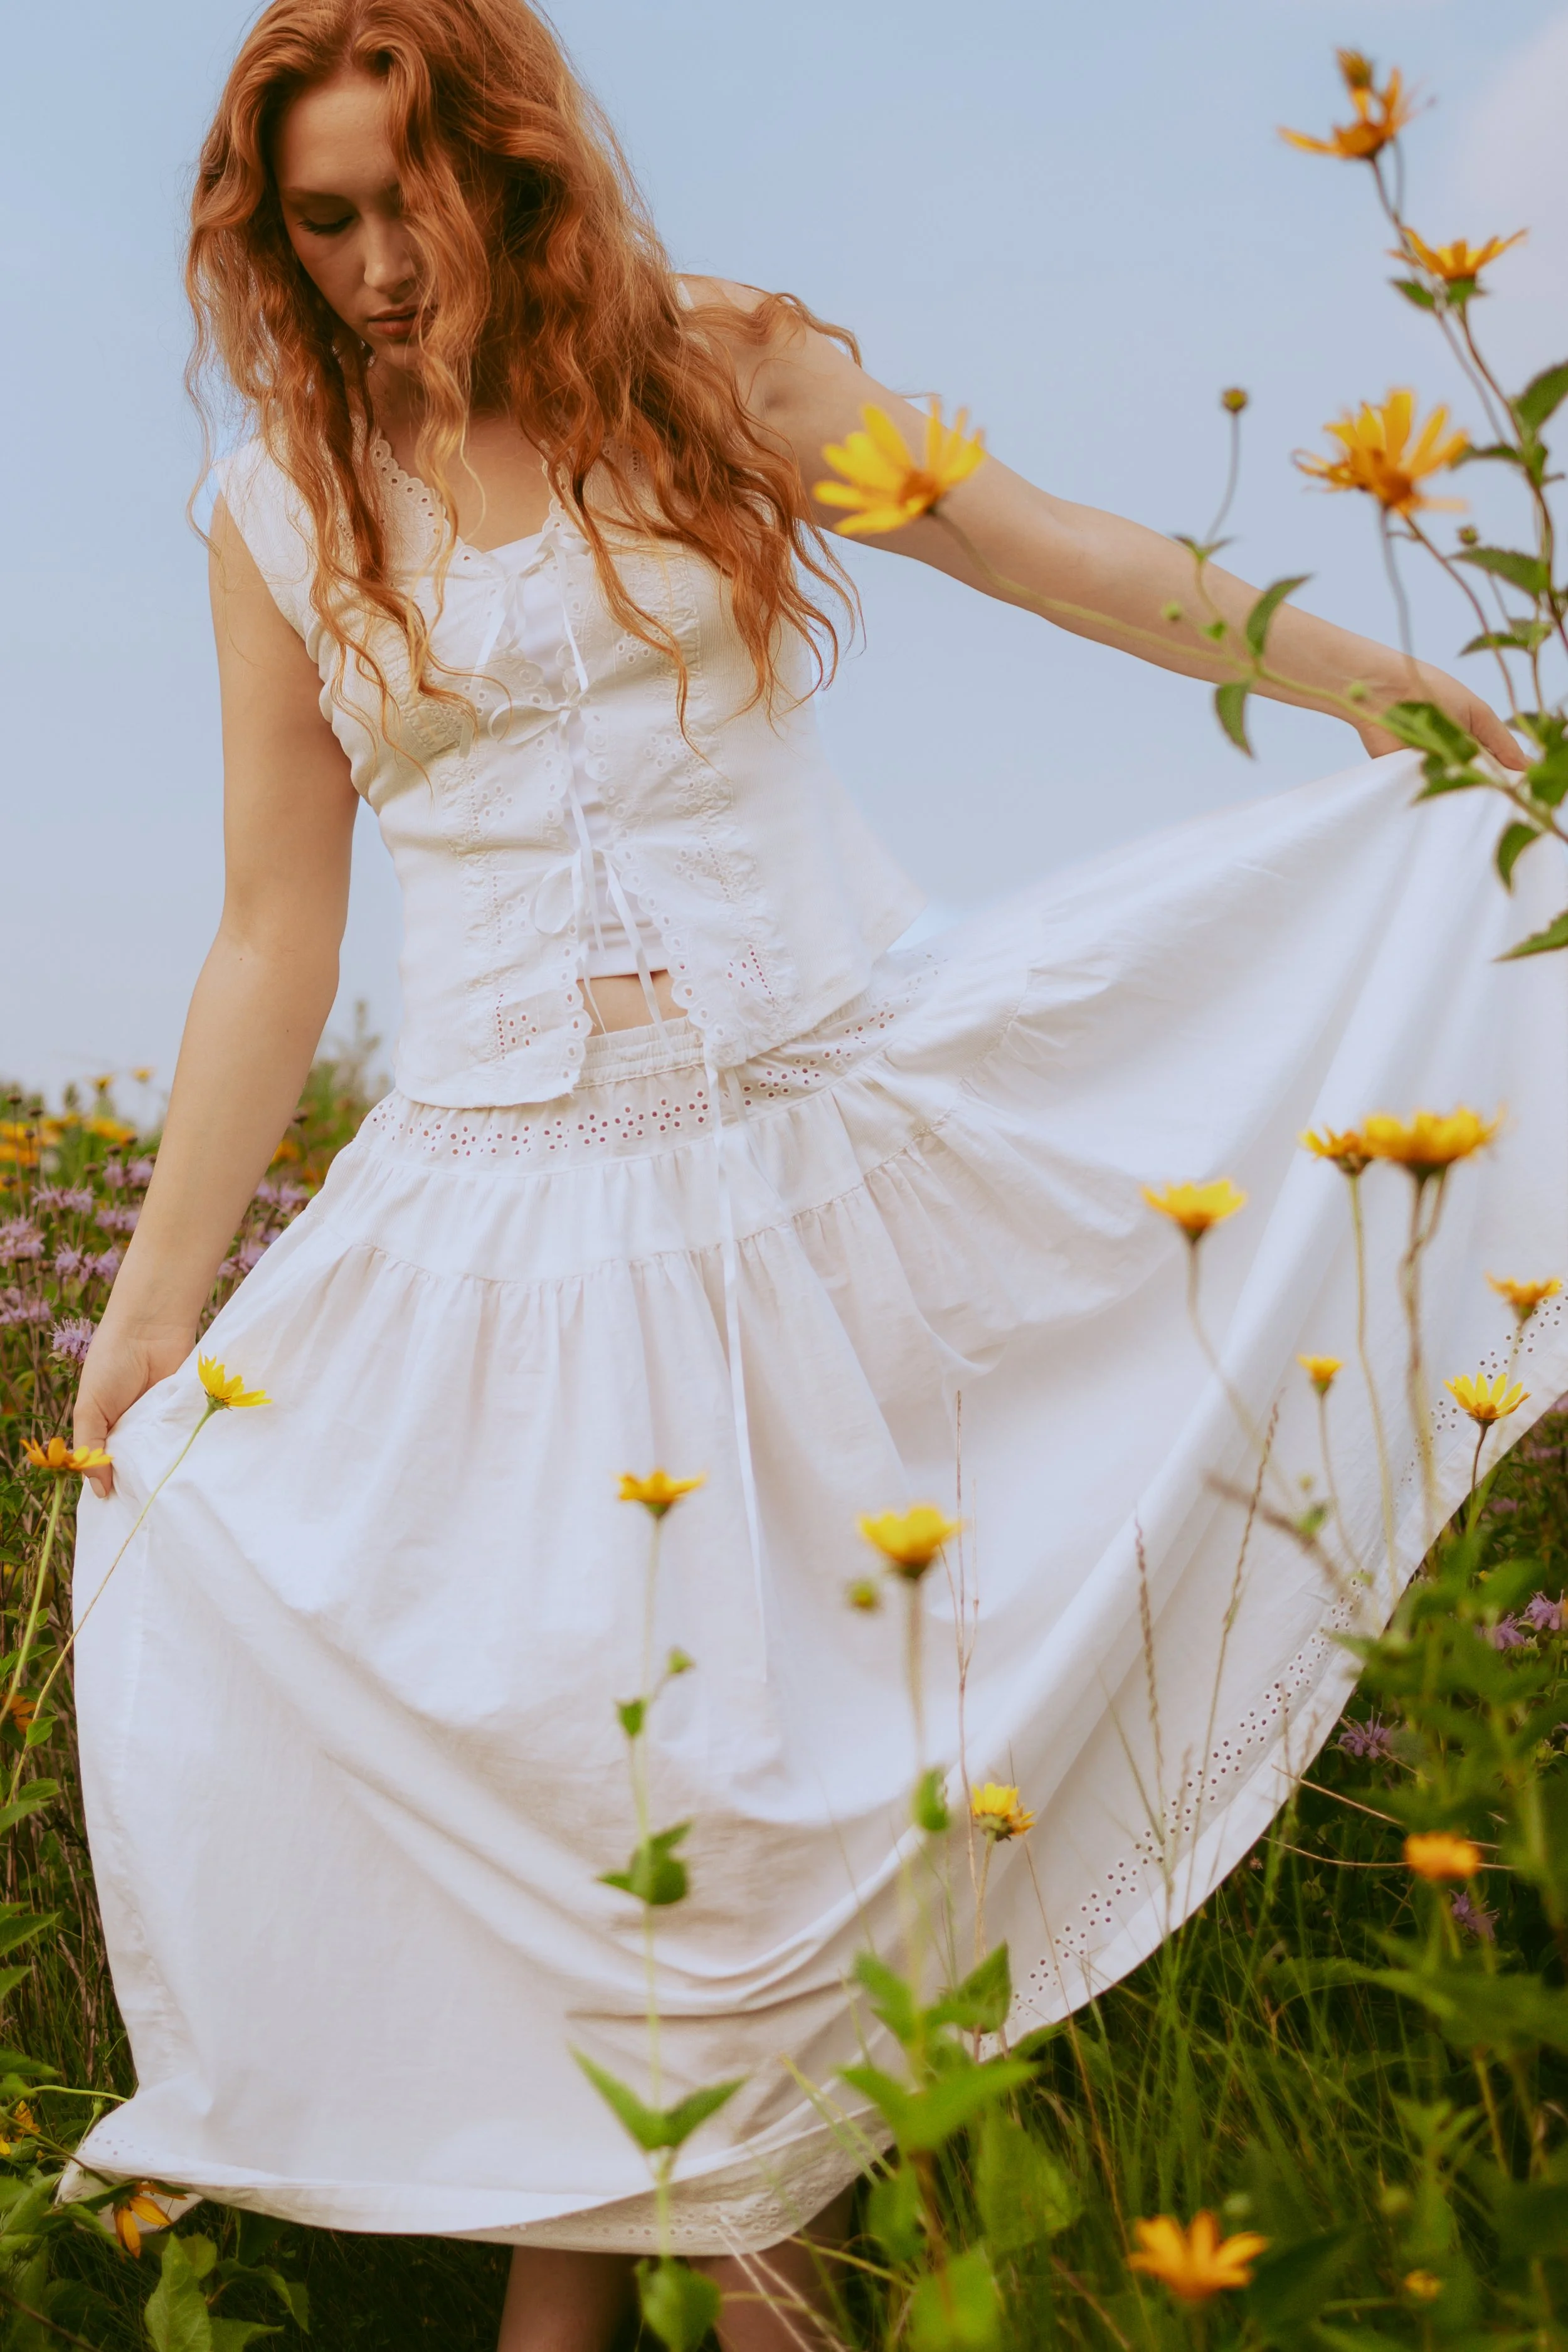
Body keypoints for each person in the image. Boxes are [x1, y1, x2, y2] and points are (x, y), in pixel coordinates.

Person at [66, 3, 1567, 2348]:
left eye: (400, 201)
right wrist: (153, 1304)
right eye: (318, 222)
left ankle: (760, 2298)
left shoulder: (721, 368)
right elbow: (277, 929)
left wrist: (1360, 672)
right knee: (592, 1825)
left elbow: (1034, 544)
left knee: (786, 1832)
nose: (367, 265)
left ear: (506, 162)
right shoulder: (284, 508)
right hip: (500, 1248)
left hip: (816, 1173)